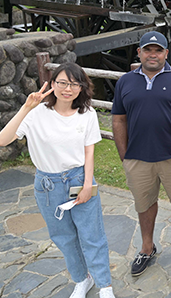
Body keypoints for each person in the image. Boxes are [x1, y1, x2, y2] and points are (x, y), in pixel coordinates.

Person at [0, 63, 116, 298]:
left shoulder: (88, 114)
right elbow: (3, 140)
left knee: (91, 235)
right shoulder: (36, 113)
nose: (68, 89)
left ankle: (105, 285)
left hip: (78, 177)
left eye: (74, 84)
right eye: (62, 82)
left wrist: (86, 185)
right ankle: (82, 280)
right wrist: (25, 107)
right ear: (52, 84)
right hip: (47, 184)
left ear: (82, 87)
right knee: (64, 237)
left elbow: (89, 153)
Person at [112, 31, 171, 276]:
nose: (153, 54)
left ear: (166, 54)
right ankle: (147, 247)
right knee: (144, 205)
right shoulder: (125, 81)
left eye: (158, 50)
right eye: (147, 50)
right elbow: (118, 119)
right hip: (138, 158)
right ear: (139, 53)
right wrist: (124, 155)